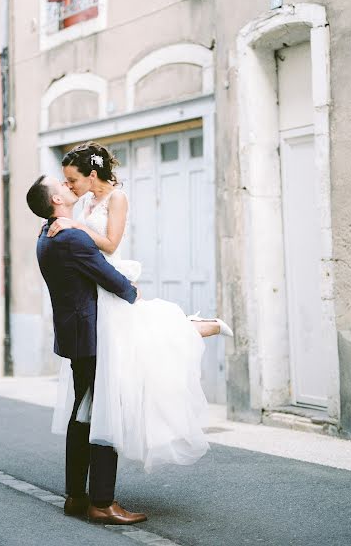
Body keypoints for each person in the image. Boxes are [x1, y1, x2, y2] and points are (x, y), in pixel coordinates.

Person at [48, 141, 233, 472]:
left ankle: (205, 325)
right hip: (95, 287)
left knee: (146, 345)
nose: (70, 187)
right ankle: (194, 324)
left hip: (110, 279)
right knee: (134, 351)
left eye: (73, 180)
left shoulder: (117, 198)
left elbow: (110, 243)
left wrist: (75, 226)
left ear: (91, 175)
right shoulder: (87, 200)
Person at [26, 175, 147, 525]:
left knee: (82, 414)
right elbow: (106, 275)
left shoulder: (47, 235)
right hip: (93, 336)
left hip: (75, 334)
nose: (68, 186)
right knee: (103, 411)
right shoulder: (70, 236)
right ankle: (102, 503)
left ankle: (76, 497)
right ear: (56, 202)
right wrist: (133, 292)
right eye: (61, 186)